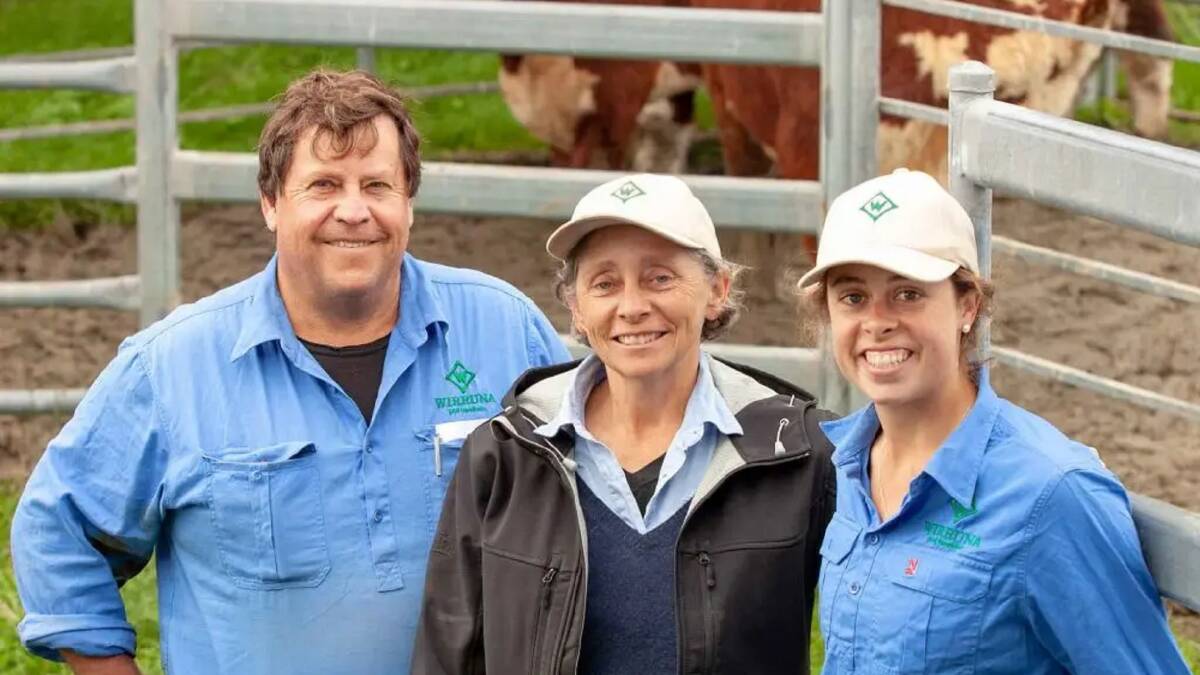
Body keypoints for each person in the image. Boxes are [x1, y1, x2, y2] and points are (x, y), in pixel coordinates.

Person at [12, 69, 570, 675]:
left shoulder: (504, 329)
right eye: (323, 185)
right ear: (271, 204)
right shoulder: (173, 368)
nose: (353, 211)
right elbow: (56, 533)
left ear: (409, 201)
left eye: (377, 184)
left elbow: (595, 508)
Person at [412, 173, 837, 675]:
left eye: (660, 278)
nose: (632, 307)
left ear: (717, 290)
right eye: (605, 283)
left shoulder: (799, 453)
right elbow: (449, 649)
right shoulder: (507, 451)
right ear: (575, 306)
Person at [801, 168, 1189, 674]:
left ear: (967, 305)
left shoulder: (1049, 493)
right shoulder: (850, 465)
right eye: (852, 297)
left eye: (908, 293)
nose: (877, 321)